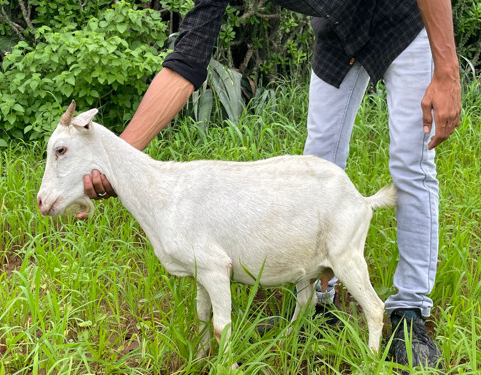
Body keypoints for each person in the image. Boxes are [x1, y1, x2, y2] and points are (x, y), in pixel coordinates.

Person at [80, 0, 461, 368]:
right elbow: (187, 59)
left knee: (411, 163)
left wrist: (446, 68)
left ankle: (410, 309)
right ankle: (316, 305)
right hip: (339, 28)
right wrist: (120, 160)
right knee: (316, 165)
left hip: (403, 18)